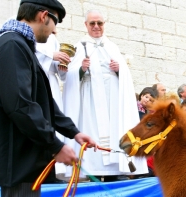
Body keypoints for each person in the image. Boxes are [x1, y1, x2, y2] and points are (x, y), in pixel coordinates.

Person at [0, 1, 97, 196]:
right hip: (15, 159)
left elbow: (41, 100)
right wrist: (55, 145)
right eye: (55, 22)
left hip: (21, 158)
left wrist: (73, 131)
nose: (54, 30)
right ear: (43, 16)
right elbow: (21, 105)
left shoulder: (19, 45)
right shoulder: (12, 46)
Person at [63, 9, 148, 181]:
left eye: (99, 23)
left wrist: (120, 70)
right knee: (91, 133)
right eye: (92, 23)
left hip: (112, 103)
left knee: (115, 133)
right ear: (86, 25)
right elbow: (68, 76)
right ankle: (92, 170)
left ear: (104, 25)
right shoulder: (80, 47)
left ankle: (116, 170)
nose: (96, 27)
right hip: (89, 102)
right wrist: (81, 69)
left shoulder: (112, 47)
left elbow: (126, 78)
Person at [35, 29, 70, 177]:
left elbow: (59, 72)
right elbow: (32, 53)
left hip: (51, 83)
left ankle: (55, 169)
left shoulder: (53, 40)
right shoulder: (28, 34)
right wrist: (51, 56)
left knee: (52, 121)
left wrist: (61, 65)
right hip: (36, 79)